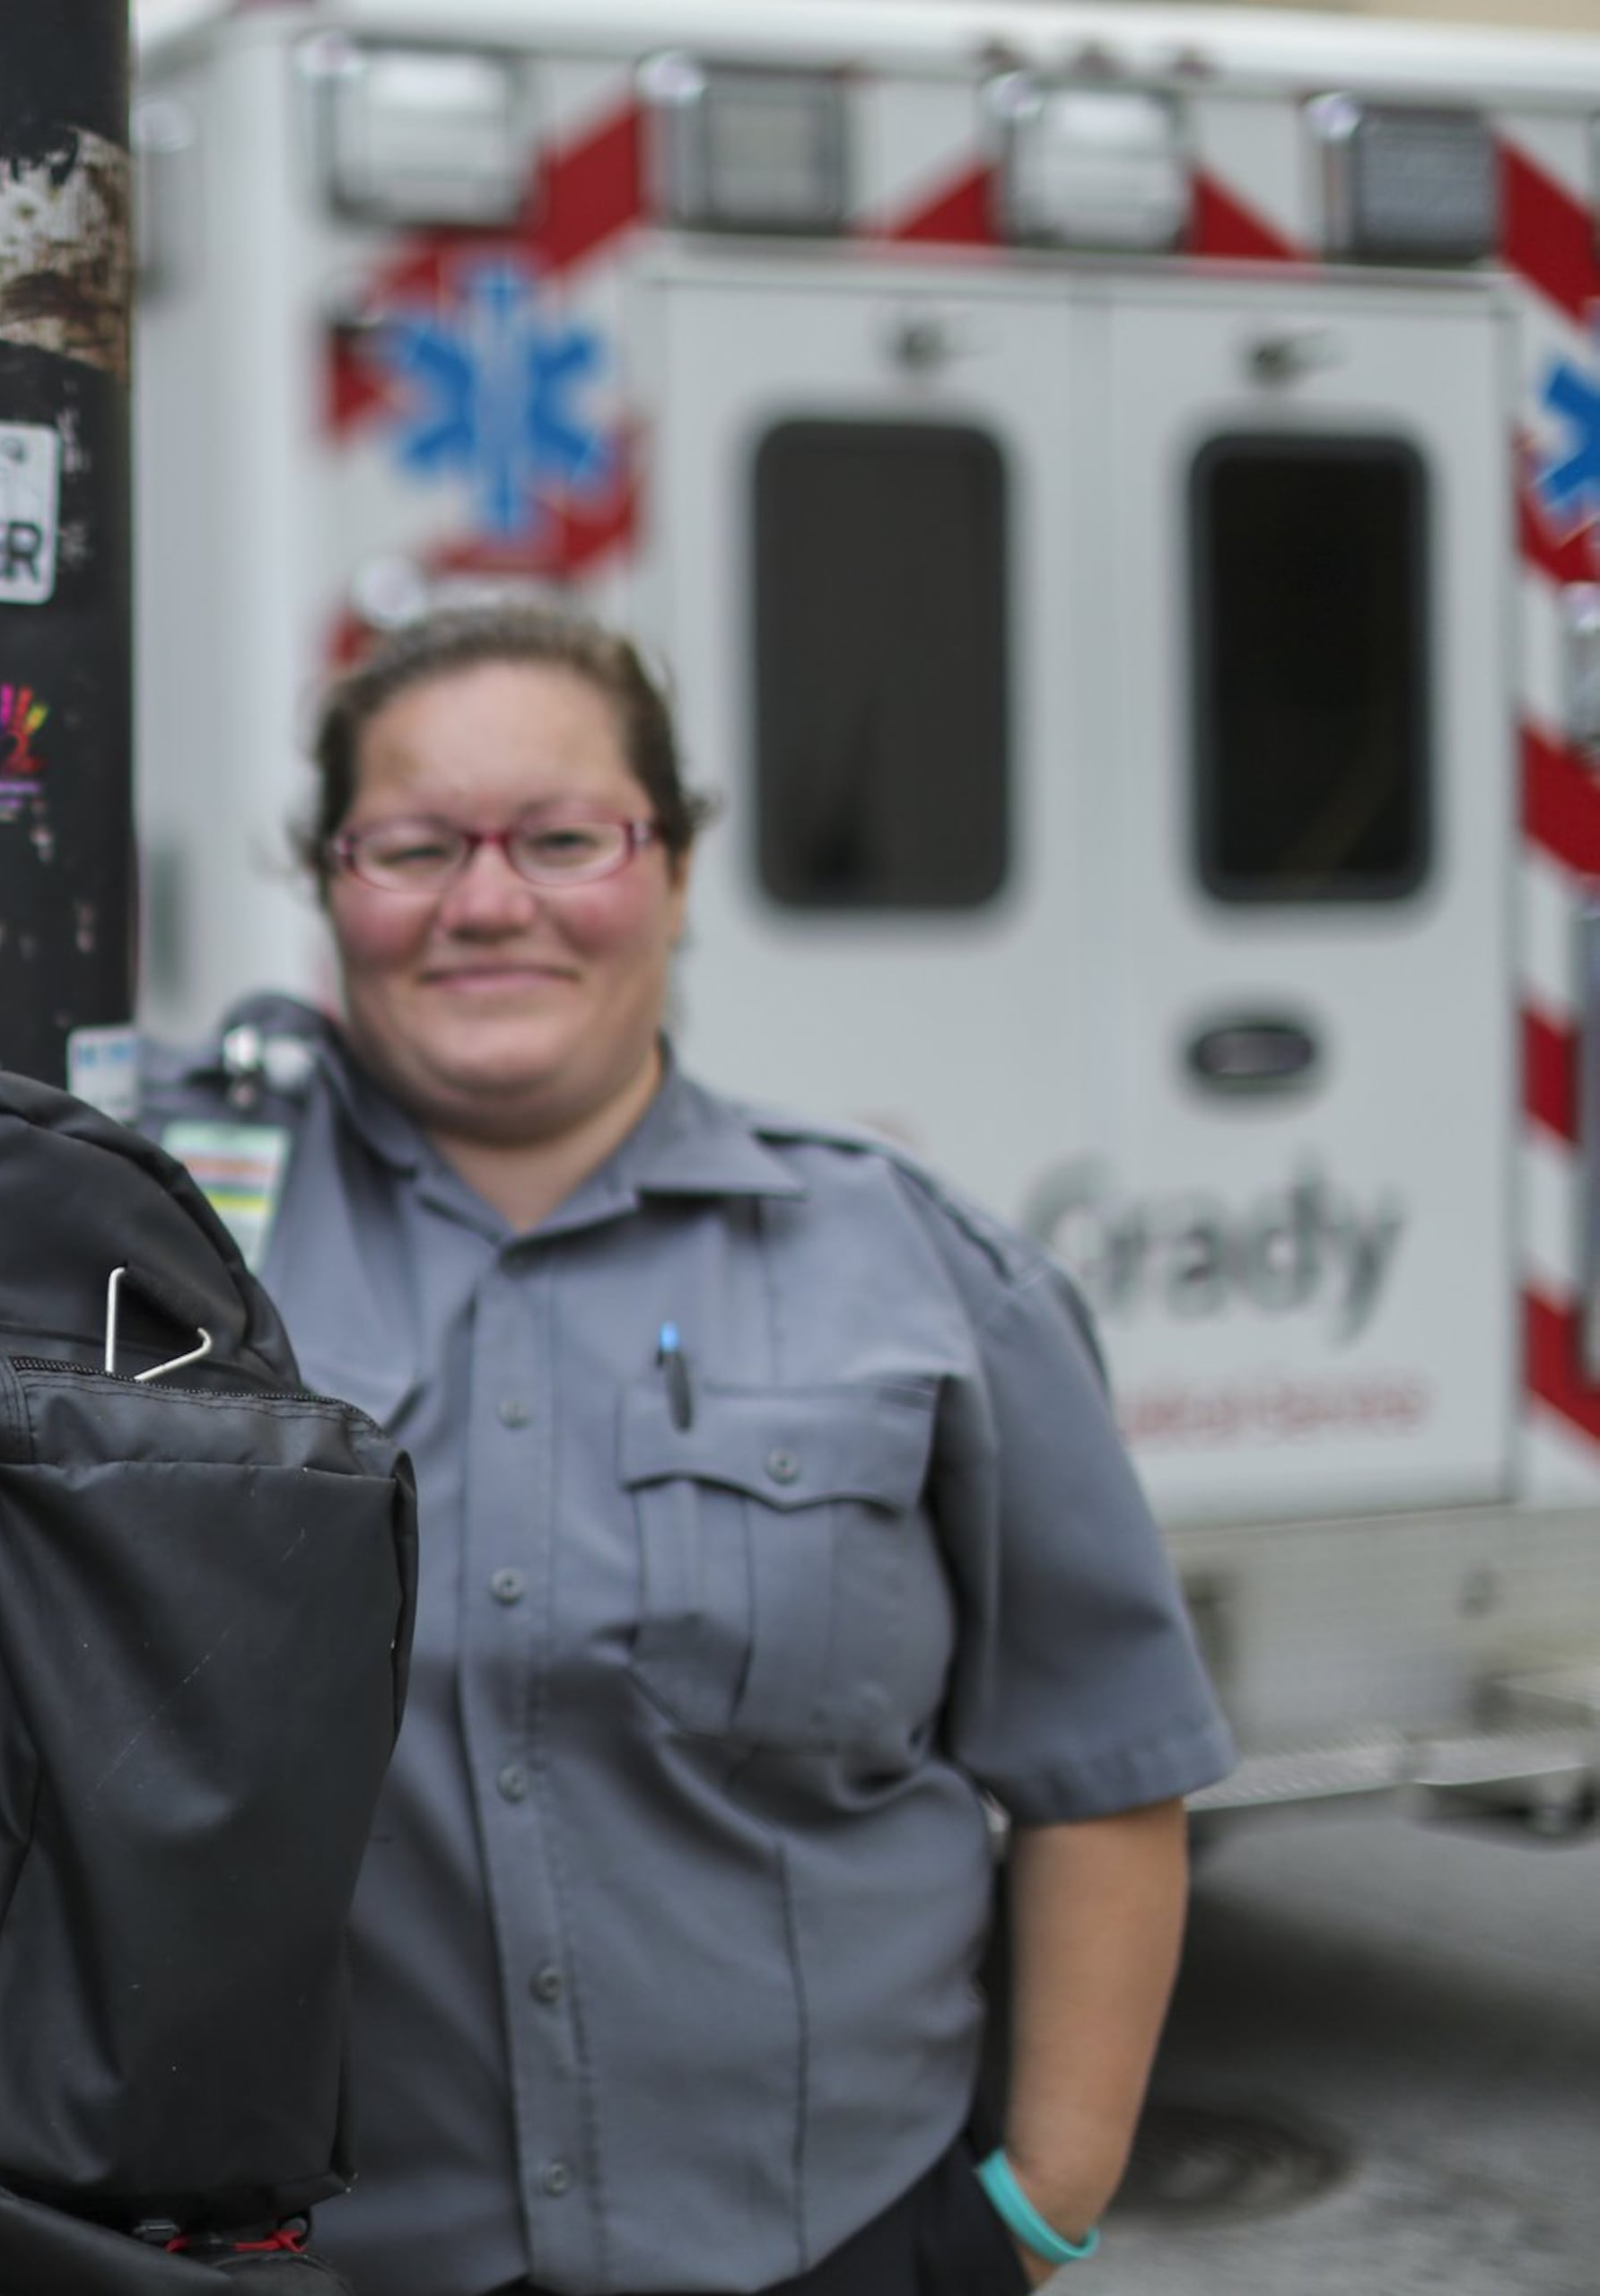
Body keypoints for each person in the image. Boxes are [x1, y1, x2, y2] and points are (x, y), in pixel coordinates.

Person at [149, 601, 1231, 2296]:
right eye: (415, 843)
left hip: (833, 2241)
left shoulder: (927, 1273)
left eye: (565, 836)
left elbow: (1105, 1769)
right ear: (328, 876)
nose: (489, 899)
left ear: (673, 862)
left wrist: (1031, 2212)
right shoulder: (165, 1258)